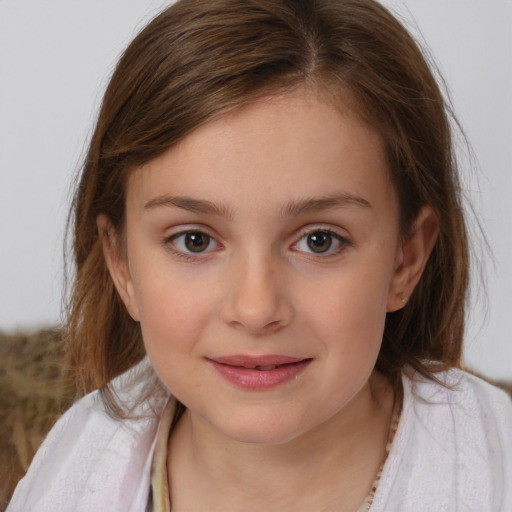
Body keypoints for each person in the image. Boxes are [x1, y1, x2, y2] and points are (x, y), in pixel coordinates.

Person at [7, 0, 512, 511]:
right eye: (194, 240)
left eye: (320, 240)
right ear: (122, 265)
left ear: (406, 259)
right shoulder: (58, 478)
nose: (255, 309)